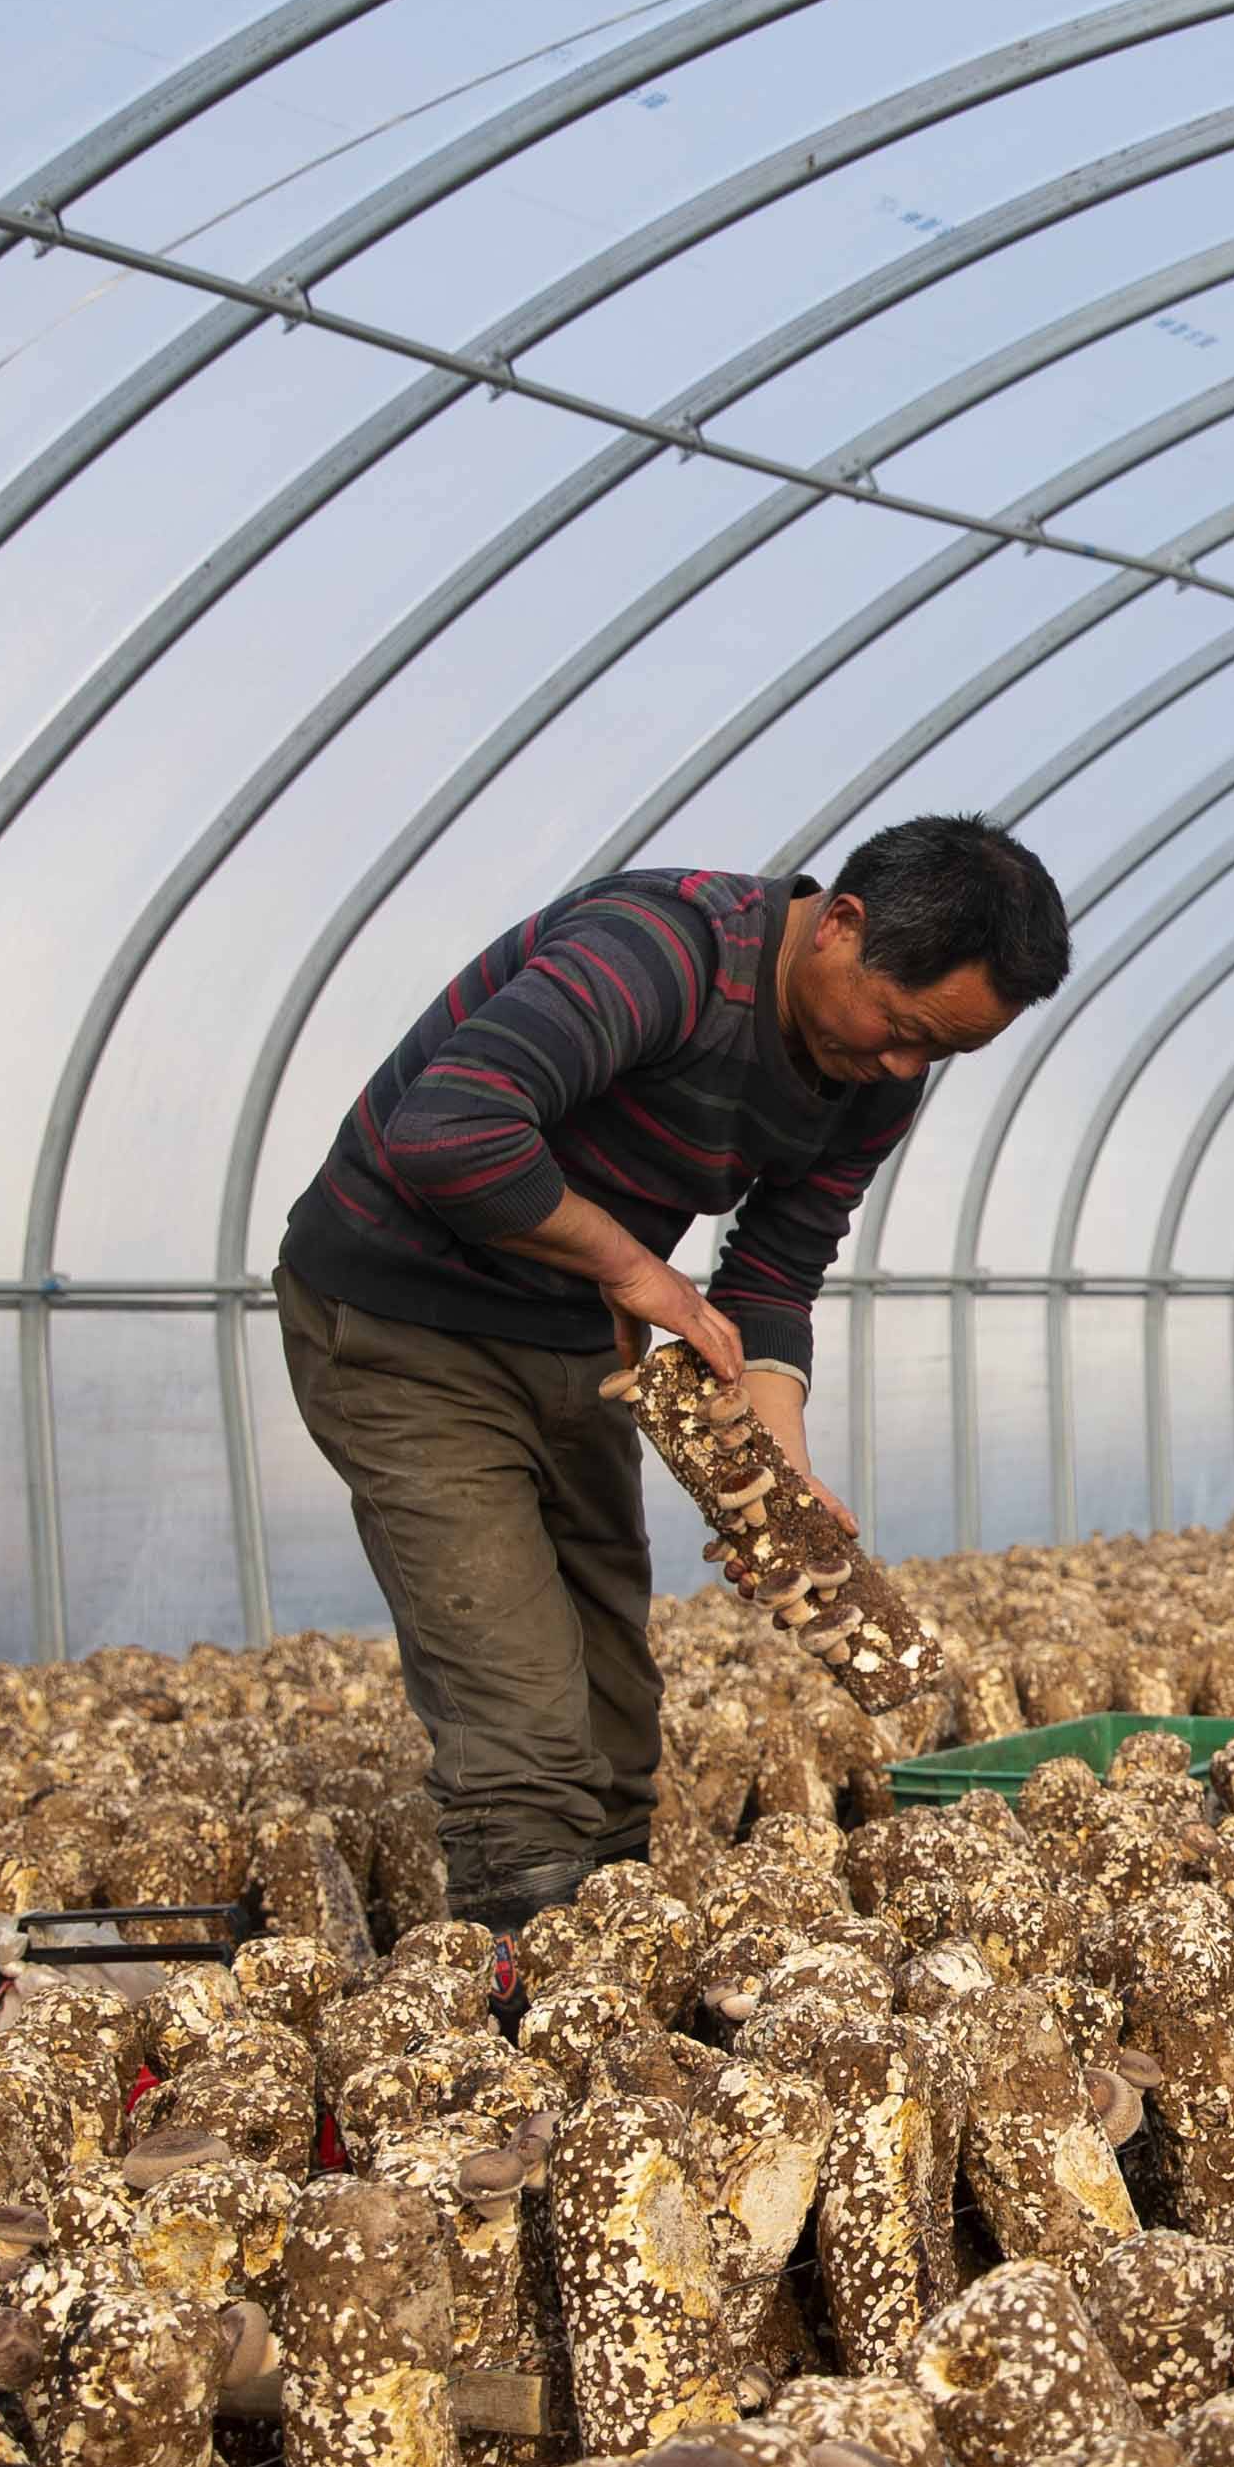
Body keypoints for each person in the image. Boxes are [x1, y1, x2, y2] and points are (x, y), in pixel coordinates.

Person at [277, 815, 1070, 1927]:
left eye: (940, 1052)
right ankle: (514, 1994)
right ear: (839, 924)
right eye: (899, 1027)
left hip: (566, 1333)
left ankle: (604, 1966)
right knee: (517, 1693)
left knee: (613, 1695)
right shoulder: (659, 952)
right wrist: (635, 1270)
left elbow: (778, 1266)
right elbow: (448, 1130)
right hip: (400, 1319)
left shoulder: (873, 1074)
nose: (902, 1068)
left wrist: (778, 1486)